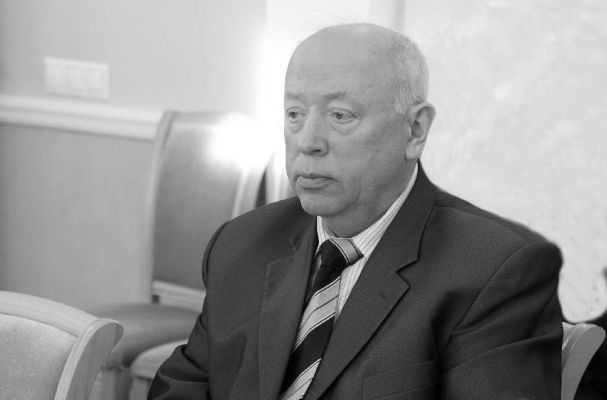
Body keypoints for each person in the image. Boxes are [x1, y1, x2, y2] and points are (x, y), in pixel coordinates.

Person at [148, 23, 562, 400]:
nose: (308, 141)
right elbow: (183, 387)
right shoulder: (241, 243)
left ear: (415, 130)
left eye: (340, 116)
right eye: (294, 114)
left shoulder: (495, 271)